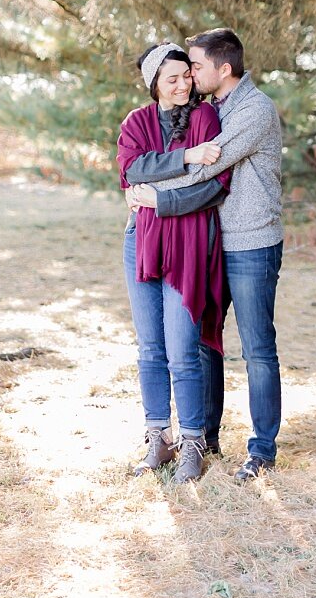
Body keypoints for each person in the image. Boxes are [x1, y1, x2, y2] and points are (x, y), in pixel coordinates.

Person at [126, 28, 284, 483]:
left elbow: (205, 168)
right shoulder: (211, 110)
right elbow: (170, 158)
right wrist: (137, 178)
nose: (190, 77)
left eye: (196, 67)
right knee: (204, 338)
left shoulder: (254, 110)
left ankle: (262, 450)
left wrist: (148, 193)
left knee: (256, 350)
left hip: (251, 242)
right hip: (211, 241)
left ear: (223, 68)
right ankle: (206, 437)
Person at [116, 43, 232, 484]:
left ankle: (192, 443)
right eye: (173, 78)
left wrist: (161, 199)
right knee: (150, 348)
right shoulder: (137, 122)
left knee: (183, 351)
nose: (184, 84)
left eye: (187, 75)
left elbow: (215, 183)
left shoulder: (204, 118)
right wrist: (185, 157)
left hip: (188, 242)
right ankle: (159, 438)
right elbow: (130, 170)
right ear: (155, 85)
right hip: (140, 241)